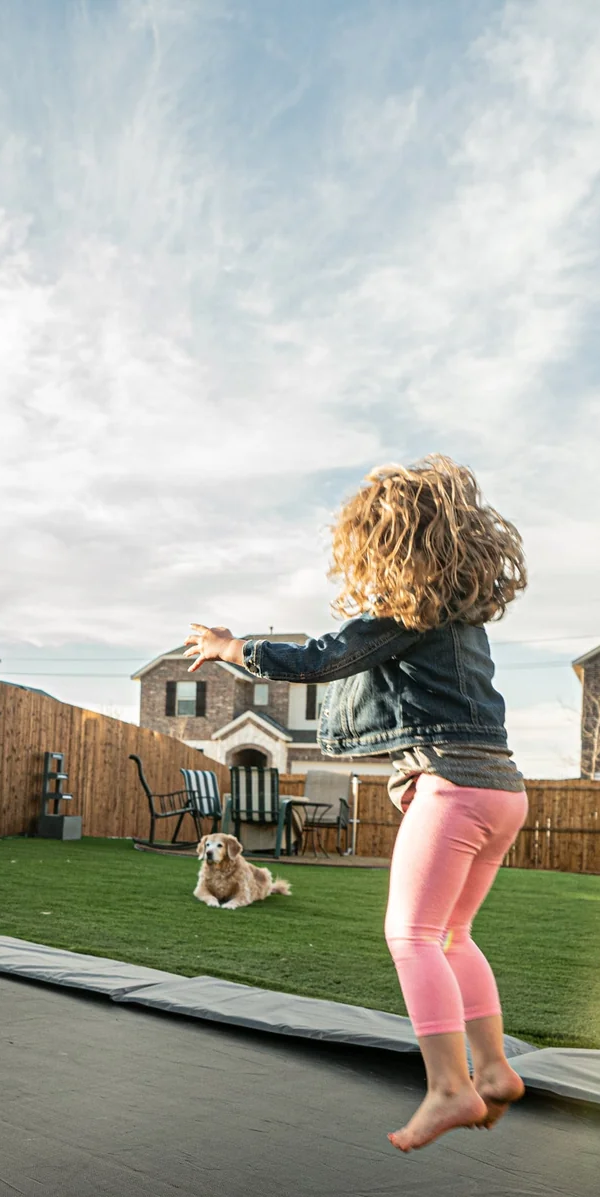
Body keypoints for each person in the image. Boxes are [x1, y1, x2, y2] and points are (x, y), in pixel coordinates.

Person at [185, 455, 529, 1151]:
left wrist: (232, 648)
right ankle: (492, 1070)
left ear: (386, 548)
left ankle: (449, 1088)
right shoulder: (464, 621)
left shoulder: (407, 611)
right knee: (453, 936)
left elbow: (319, 658)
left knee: (410, 936)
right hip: (502, 790)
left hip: (452, 785)